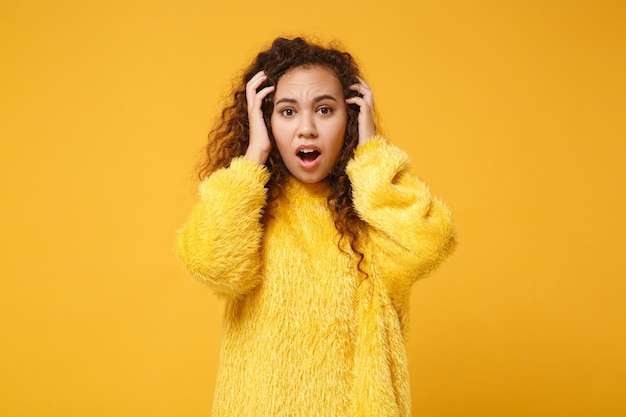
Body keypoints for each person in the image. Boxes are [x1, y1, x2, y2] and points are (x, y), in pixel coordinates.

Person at [175, 37, 456, 417]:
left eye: (325, 110)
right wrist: (252, 158)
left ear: (351, 117)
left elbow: (427, 243)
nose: (306, 128)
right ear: (265, 121)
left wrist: (371, 156)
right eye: (287, 112)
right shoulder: (251, 207)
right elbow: (213, 263)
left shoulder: (371, 208)